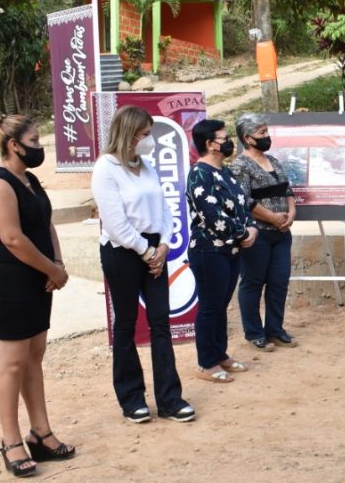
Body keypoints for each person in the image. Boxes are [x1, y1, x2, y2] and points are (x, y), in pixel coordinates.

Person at [0, 114, 75, 477]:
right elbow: (13, 239)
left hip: (38, 280)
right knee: (13, 363)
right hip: (12, 282)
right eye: (35, 141)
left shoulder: (29, 179)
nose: (40, 147)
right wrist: (52, 270)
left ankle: (41, 432)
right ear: (14, 145)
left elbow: (45, 223)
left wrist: (57, 260)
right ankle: (11, 440)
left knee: (35, 357)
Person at [92, 105, 196, 424]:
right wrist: (146, 252)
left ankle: (169, 398)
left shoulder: (147, 164)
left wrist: (163, 245)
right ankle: (131, 398)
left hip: (155, 250)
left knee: (160, 323)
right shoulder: (106, 168)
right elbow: (114, 222)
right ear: (129, 134)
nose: (149, 140)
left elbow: (164, 208)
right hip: (122, 251)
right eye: (144, 134)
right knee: (125, 324)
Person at [186, 119, 258, 383]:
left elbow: (243, 205)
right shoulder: (199, 174)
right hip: (209, 252)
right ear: (210, 144)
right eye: (224, 138)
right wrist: (242, 234)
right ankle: (206, 363)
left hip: (232, 251)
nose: (229, 142)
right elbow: (212, 215)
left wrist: (252, 229)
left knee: (221, 306)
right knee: (210, 307)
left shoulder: (225, 172)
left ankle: (220, 354)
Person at [229, 114, 298, 352]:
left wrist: (291, 213)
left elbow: (287, 190)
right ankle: (255, 333)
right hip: (257, 234)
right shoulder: (240, 166)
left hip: (282, 233)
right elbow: (243, 200)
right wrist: (272, 218)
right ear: (247, 138)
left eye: (267, 131)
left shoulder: (274, 161)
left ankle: (276, 330)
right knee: (253, 283)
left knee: (279, 282)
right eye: (261, 133)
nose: (267, 137)